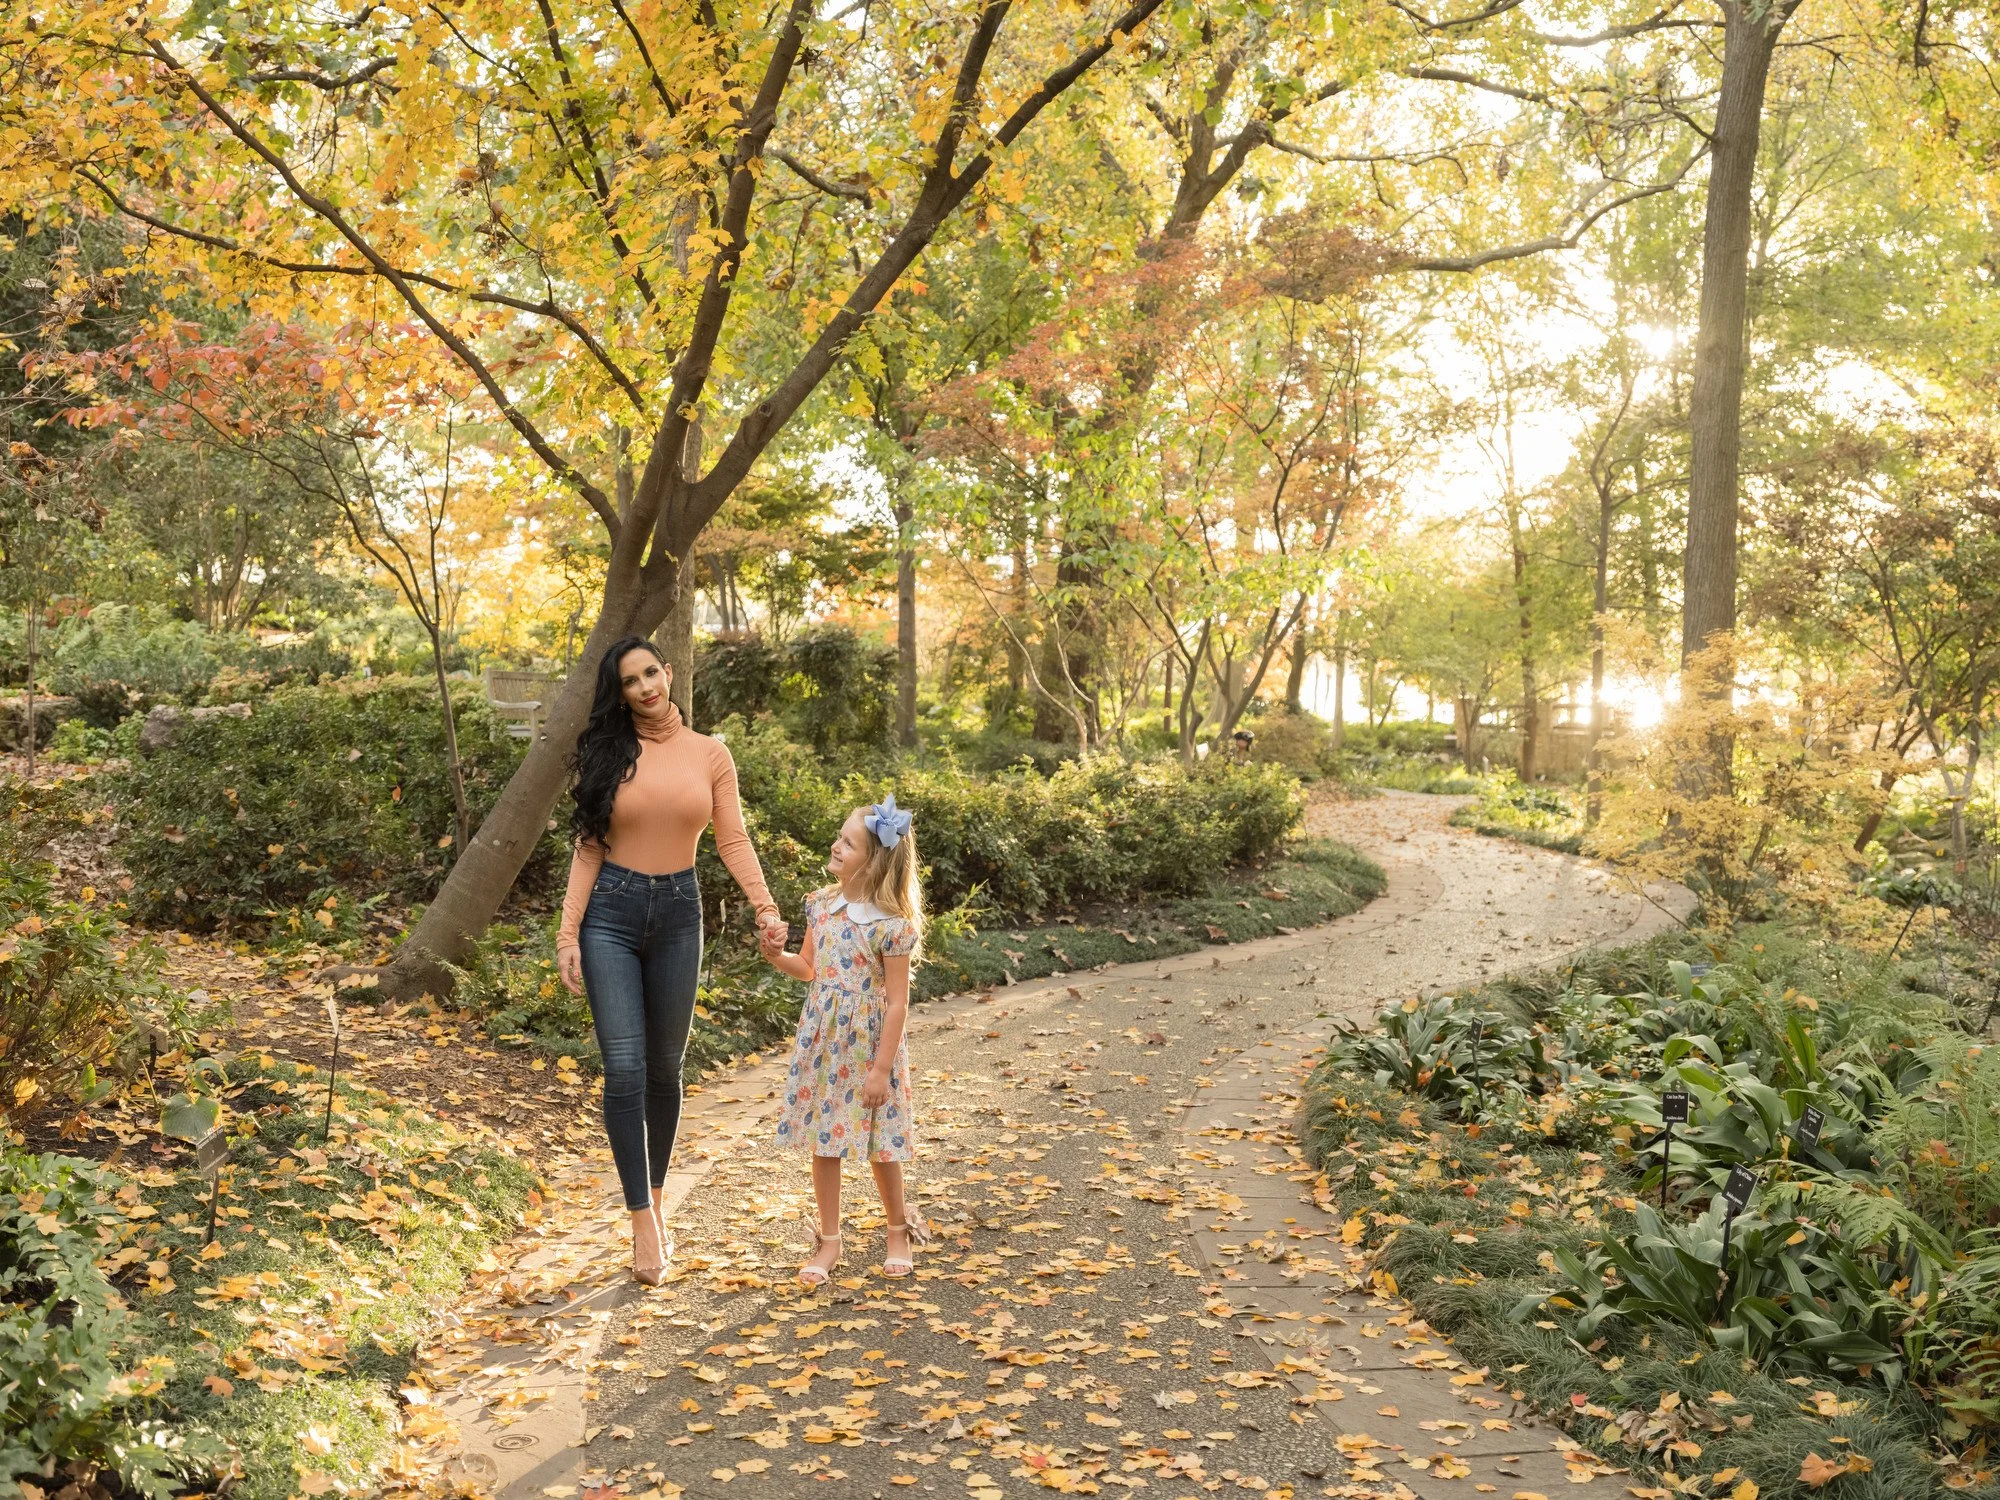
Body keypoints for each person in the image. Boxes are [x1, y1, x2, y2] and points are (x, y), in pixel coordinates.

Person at [556, 635, 785, 1285]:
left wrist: (765, 909)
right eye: (630, 681)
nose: (646, 687)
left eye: (651, 672)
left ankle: (657, 1197)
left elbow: (732, 837)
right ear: (620, 693)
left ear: (669, 672)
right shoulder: (609, 753)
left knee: (665, 1068)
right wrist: (568, 934)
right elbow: (588, 848)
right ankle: (642, 1223)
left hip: (681, 913)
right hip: (612, 917)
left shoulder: (710, 754)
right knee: (624, 1068)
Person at [762, 793, 929, 1284]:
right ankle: (830, 1241)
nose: (835, 846)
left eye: (848, 843)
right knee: (824, 1140)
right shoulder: (821, 906)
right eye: (839, 837)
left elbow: (897, 1001)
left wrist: (881, 1068)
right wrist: (775, 955)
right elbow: (810, 968)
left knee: (882, 1144)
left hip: (870, 1047)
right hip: (823, 1042)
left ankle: (896, 1230)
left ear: (873, 861)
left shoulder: (891, 926)